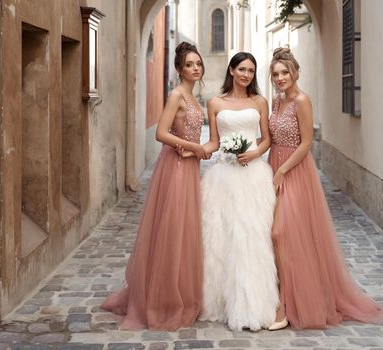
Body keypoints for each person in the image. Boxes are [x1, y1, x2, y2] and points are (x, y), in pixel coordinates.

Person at [267, 47, 383, 330]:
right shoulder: (276, 102)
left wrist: (283, 170)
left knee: (281, 232)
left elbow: (307, 142)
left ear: (296, 72)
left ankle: (285, 306)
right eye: (275, 74)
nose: (280, 77)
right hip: (273, 165)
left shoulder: (302, 101)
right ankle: (283, 296)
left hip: (294, 171)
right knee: (275, 236)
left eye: (285, 72)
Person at [101, 42, 208, 330]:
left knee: (185, 231)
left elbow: (196, 138)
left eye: (198, 63)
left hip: (189, 167)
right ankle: (162, 299)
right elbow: (161, 133)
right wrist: (192, 147)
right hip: (173, 169)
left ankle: (182, 294)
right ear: (178, 68)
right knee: (170, 230)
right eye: (189, 64)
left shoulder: (195, 98)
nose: (195, 68)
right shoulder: (176, 95)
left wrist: (201, 149)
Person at [197, 52, 279, 331]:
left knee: (251, 237)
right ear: (231, 70)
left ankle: (253, 302)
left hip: (253, 176)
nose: (246, 74)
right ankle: (220, 300)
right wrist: (192, 151)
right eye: (242, 69)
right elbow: (213, 142)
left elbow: (267, 138)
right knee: (221, 239)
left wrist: (254, 152)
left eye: (251, 71)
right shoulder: (215, 102)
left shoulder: (260, 101)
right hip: (222, 177)